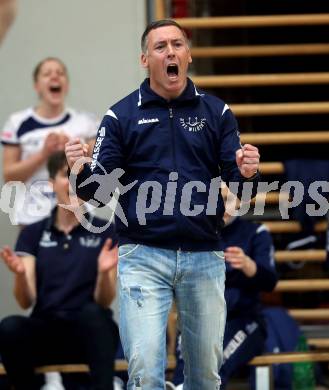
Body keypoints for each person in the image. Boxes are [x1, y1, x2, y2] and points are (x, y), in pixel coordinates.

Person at [65, 19, 260, 390]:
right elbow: (99, 193)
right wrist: (78, 170)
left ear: (188, 55)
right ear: (144, 59)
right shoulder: (120, 116)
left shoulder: (217, 112)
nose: (170, 51)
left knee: (205, 377)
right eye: (160, 46)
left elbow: (241, 194)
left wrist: (247, 173)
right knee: (145, 375)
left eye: (177, 44)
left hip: (204, 255)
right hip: (142, 255)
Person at [0, 151, 119, 390]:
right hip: (47, 330)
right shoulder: (32, 233)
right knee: (10, 327)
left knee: (94, 315)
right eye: (67, 175)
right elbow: (26, 302)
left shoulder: (106, 231)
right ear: (52, 183)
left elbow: (104, 301)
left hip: (89, 333)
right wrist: (21, 276)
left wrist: (105, 273)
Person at [172, 213, 278, 389]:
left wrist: (249, 266)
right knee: (184, 370)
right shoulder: (192, 233)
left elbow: (270, 282)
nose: (224, 207)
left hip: (244, 321)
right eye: (219, 199)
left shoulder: (256, 232)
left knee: (213, 366)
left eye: (229, 199)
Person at [1, 57, 98, 225]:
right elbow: (9, 177)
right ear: (36, 86)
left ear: (66, 85)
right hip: (33, 216)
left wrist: (74, 152)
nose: (55, 77)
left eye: (60, 73)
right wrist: (44, 153)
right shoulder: (17, 122)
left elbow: (99, 166)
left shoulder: (86, 122)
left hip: (78, 216)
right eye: (47, 74)